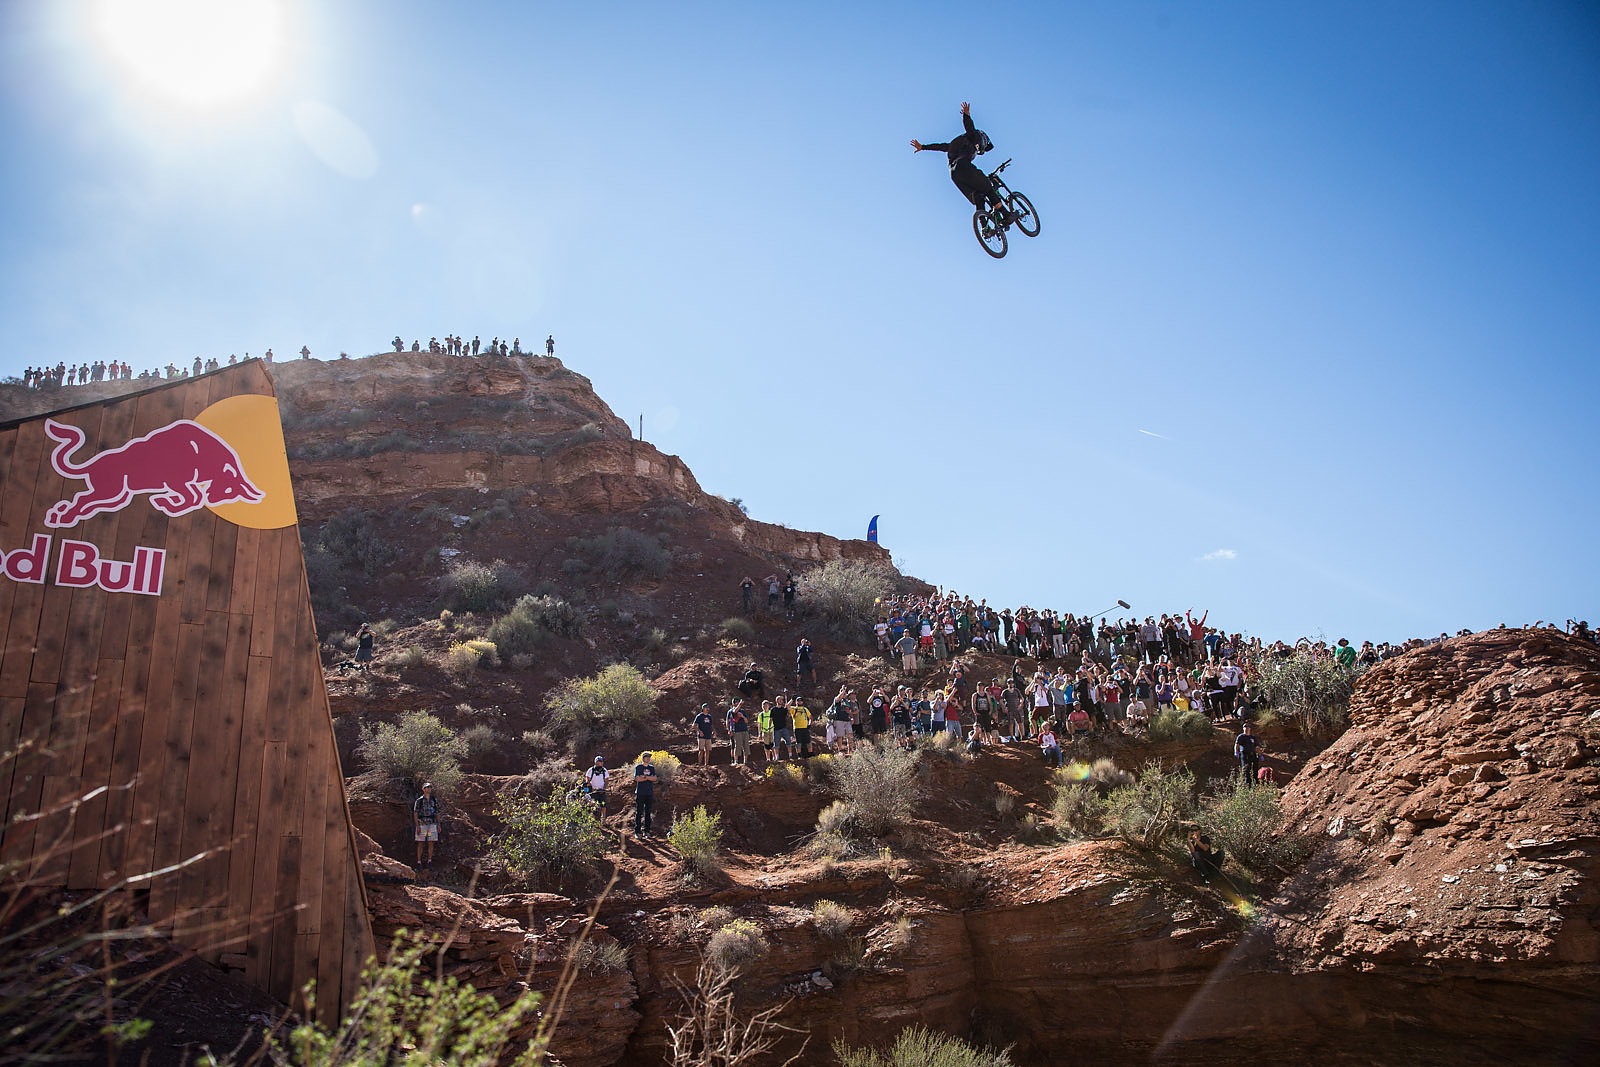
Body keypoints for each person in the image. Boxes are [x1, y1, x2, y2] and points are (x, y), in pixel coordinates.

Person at [910, 101, 1008, 223]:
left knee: (978, 197)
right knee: (988, 187)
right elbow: (970, 128)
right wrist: (966, 115)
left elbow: (942, 147)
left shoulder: (957, 144)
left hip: (954, 175)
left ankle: (984, 227)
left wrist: (923, 147)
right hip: (964, 166)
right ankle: (1006, 214)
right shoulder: (973, 137)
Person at [413, 782, 441, 869]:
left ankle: (429, 861)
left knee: (431, 842)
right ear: (423, 789)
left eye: (430, 787)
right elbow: (415, 813)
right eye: (426, 787)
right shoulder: (419, 800)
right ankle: (419, 862)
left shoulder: (434, 800)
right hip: (422, 824)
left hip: (432, 824)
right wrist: (417, 826)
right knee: (420, 843)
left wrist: (438, 824)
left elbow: (437, 812)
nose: (428, 789)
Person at [632, 752, 657, 837]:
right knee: (639, 812)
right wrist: (648, 778)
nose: (648, 759)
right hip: (640, 792)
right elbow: (637, 778)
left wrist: (645, 777)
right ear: (643, 758)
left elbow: (654, 778)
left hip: (649, 793)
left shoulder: (652, 768)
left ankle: (647, 831)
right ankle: (637, 831)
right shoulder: (638, 767)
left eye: (649, 757)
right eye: (647, 757)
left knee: (648, 812)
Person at [727, 700, 752, 766]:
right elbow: (734, 712)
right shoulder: (731, 711)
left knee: (746, 746)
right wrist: (729, 730)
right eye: (736, 702)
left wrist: (742, 716)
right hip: (737, 731)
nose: (737, 703)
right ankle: (736, 761)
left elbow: (746, 721)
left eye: (738, 702)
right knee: (737, 745)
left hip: (744, 730)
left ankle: (745, 761)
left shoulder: (743, 711)